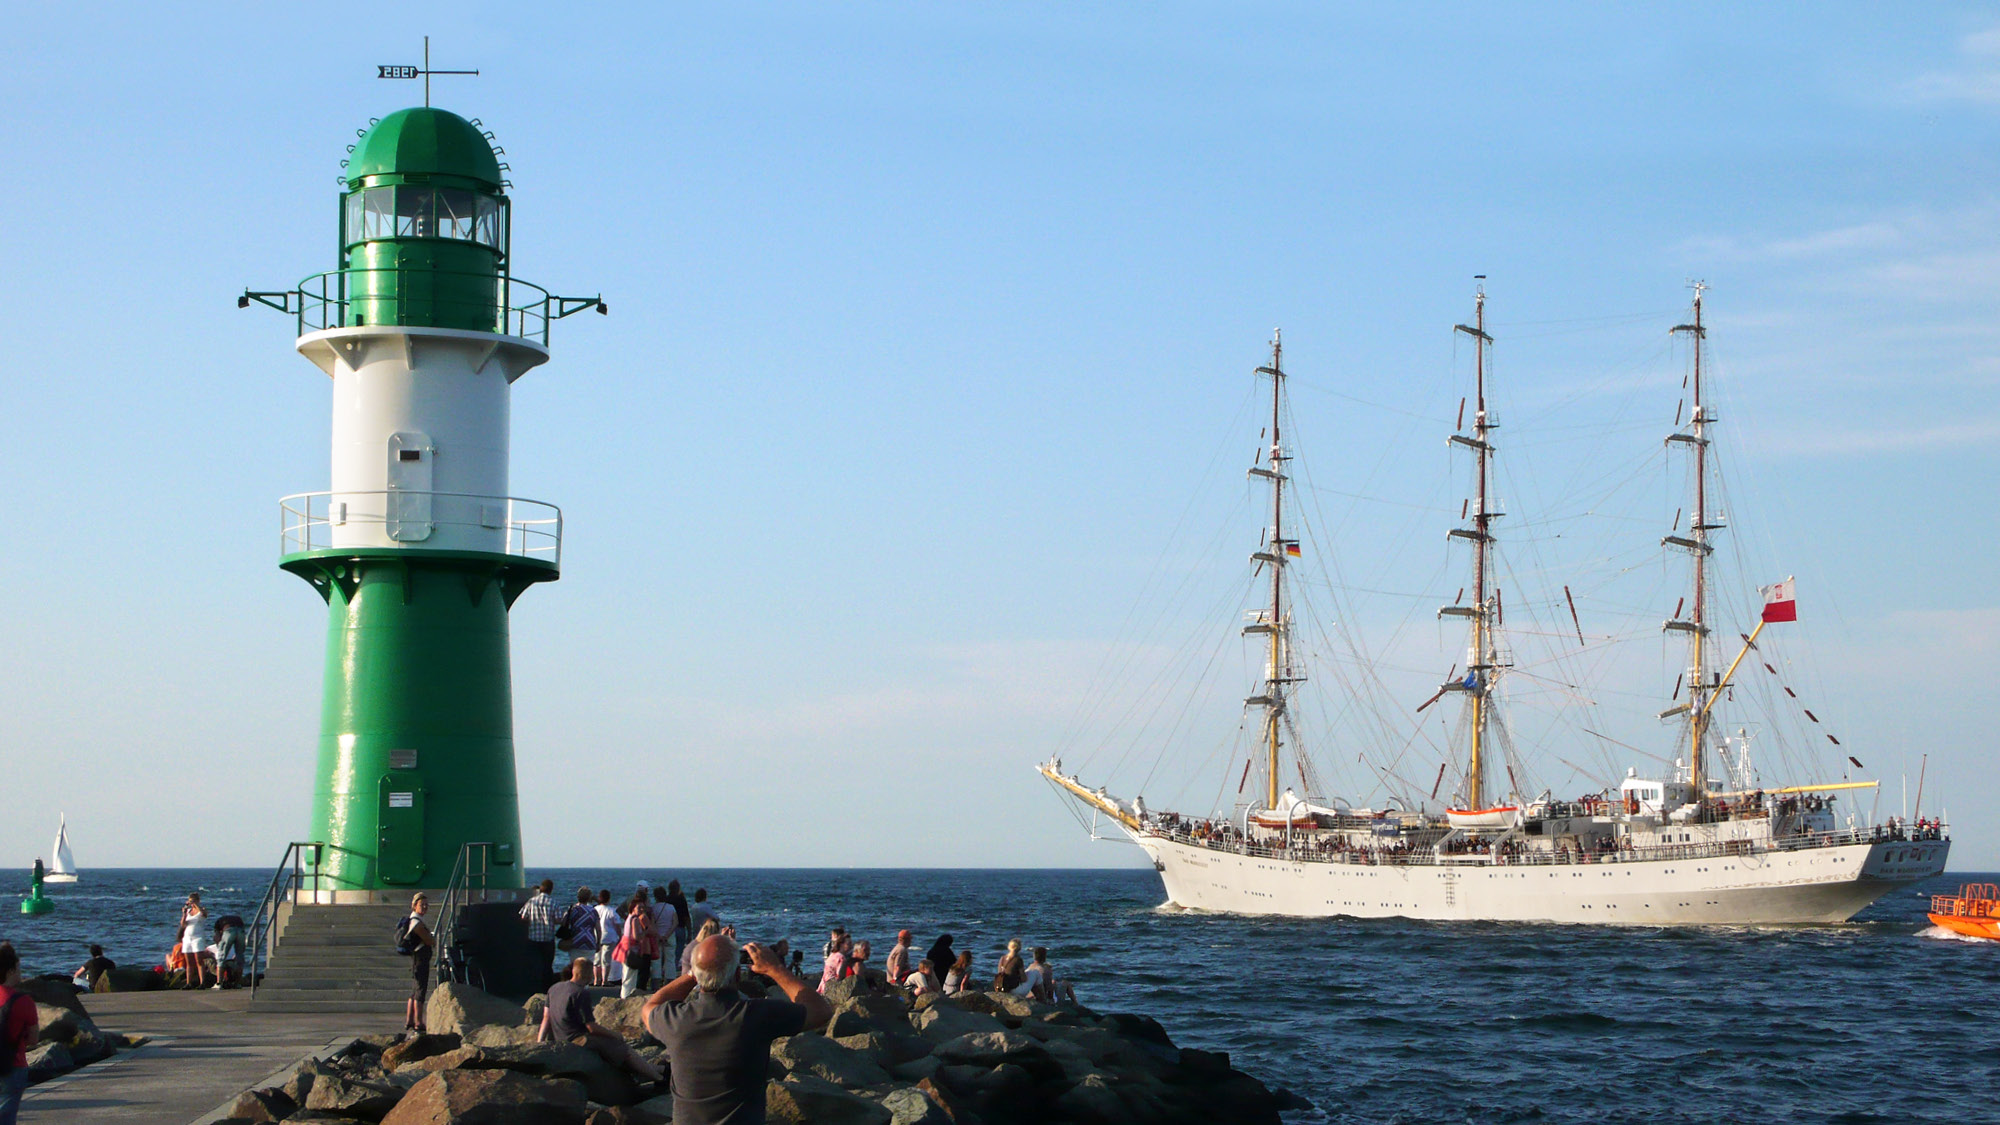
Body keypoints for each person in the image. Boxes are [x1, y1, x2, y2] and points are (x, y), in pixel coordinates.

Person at [642, 931, 831, 1125]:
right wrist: (775, 969)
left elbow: (650, 1006)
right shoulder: (756, 1015)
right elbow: (821, 1011)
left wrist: (696, 973)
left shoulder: (676, 1019)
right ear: (738, 974)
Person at [539, 957, 664, 1082]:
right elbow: (591, 1027)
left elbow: (546, 1018)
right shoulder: (580, 993)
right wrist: (614, 1035)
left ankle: (657, 1069)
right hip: (577, 1039)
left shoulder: (554, 988)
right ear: (589, 975)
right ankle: (658, 1077)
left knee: (617, 1050)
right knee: (624, 1049)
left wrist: (539, 1043)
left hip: (559, 1038)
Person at [1, 942, 39, 1125]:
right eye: (18, 968)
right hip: (13, 1065)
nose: (20, 972)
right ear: (9, 971)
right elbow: (34, 1039)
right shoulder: (23, 1001)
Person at [401, 893, 436, 1035]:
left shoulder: (415, 920)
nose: (425, 907)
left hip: (417, 958)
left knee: (415, 990)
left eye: (427, 904)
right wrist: (432, 939)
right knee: (420, 989)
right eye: (422, 904)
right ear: (414, 905)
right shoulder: (417, 923)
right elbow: (428, 941)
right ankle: (418, 1021)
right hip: (420, 958)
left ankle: (409, 1020)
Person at [518, 879, 561, 985]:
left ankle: (533, 985)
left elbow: (523, 917)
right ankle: (546, 987)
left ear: (540, 889)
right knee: (547, 965)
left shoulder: (531, 901)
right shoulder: (553, 902)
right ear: (551, 890)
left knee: (534, 963)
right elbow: (559, 920)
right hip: (548, 938)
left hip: (533, 938)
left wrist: (532, 921)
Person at [618, 893, 659, 999]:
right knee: (630, 978)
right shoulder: (635, 919)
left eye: (642, 907)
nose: (641, 909)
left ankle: (625, 997)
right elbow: (637, 937)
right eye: (639, 907)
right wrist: (645, 932)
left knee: (627, 977)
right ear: (633, 907)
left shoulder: (629, 918)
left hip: (625, 949)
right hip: (632, 951)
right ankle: (626, 998)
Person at [179, 893, 210, 989]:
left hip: (198, 937)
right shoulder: (188, 912)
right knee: (189, 962)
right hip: (188, 938)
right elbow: (183, 924)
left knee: (199, 960)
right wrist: (184, 913)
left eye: (193, 901)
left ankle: (202, 983)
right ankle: (189, 983)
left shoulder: (201, 911)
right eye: (190, 901)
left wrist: (196, 905)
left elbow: (204, 915)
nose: (191, 903)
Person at [592, 889, 620, 986]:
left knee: (596, 960)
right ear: (608, 899)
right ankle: (605, 980)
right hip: (609, 937)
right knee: (606, 960)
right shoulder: (611, 911)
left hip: (596, 936)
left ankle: (596, 980)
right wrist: (620, 936)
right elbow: (617, 925)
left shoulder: (595, 909)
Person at [211, 913, 245, 988]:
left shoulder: (218, 923)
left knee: (221, 957)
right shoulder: (237, 918)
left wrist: (219, 944)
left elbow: (217, 937)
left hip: (228, 930)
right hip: (240, 930)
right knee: (239, 956)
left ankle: (219, 983)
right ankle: (238, 983)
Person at [664, 880, 692, 970]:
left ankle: (665, 970)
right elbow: (686, 917)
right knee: (678, 951)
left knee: (668, 952)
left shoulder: (666, 899)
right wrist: (690, 932)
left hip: (668, 930)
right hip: (680, 928)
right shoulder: (681, 900)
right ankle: (673, 969)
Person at [561, 887, 598, 953]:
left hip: (575, 941)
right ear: (589, 898)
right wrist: (598, 942)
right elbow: (598, 929)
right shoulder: (593, 911)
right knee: (589, 962)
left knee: (575, 962)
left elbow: (563, 922)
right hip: (589, 941)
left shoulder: (572, 909)